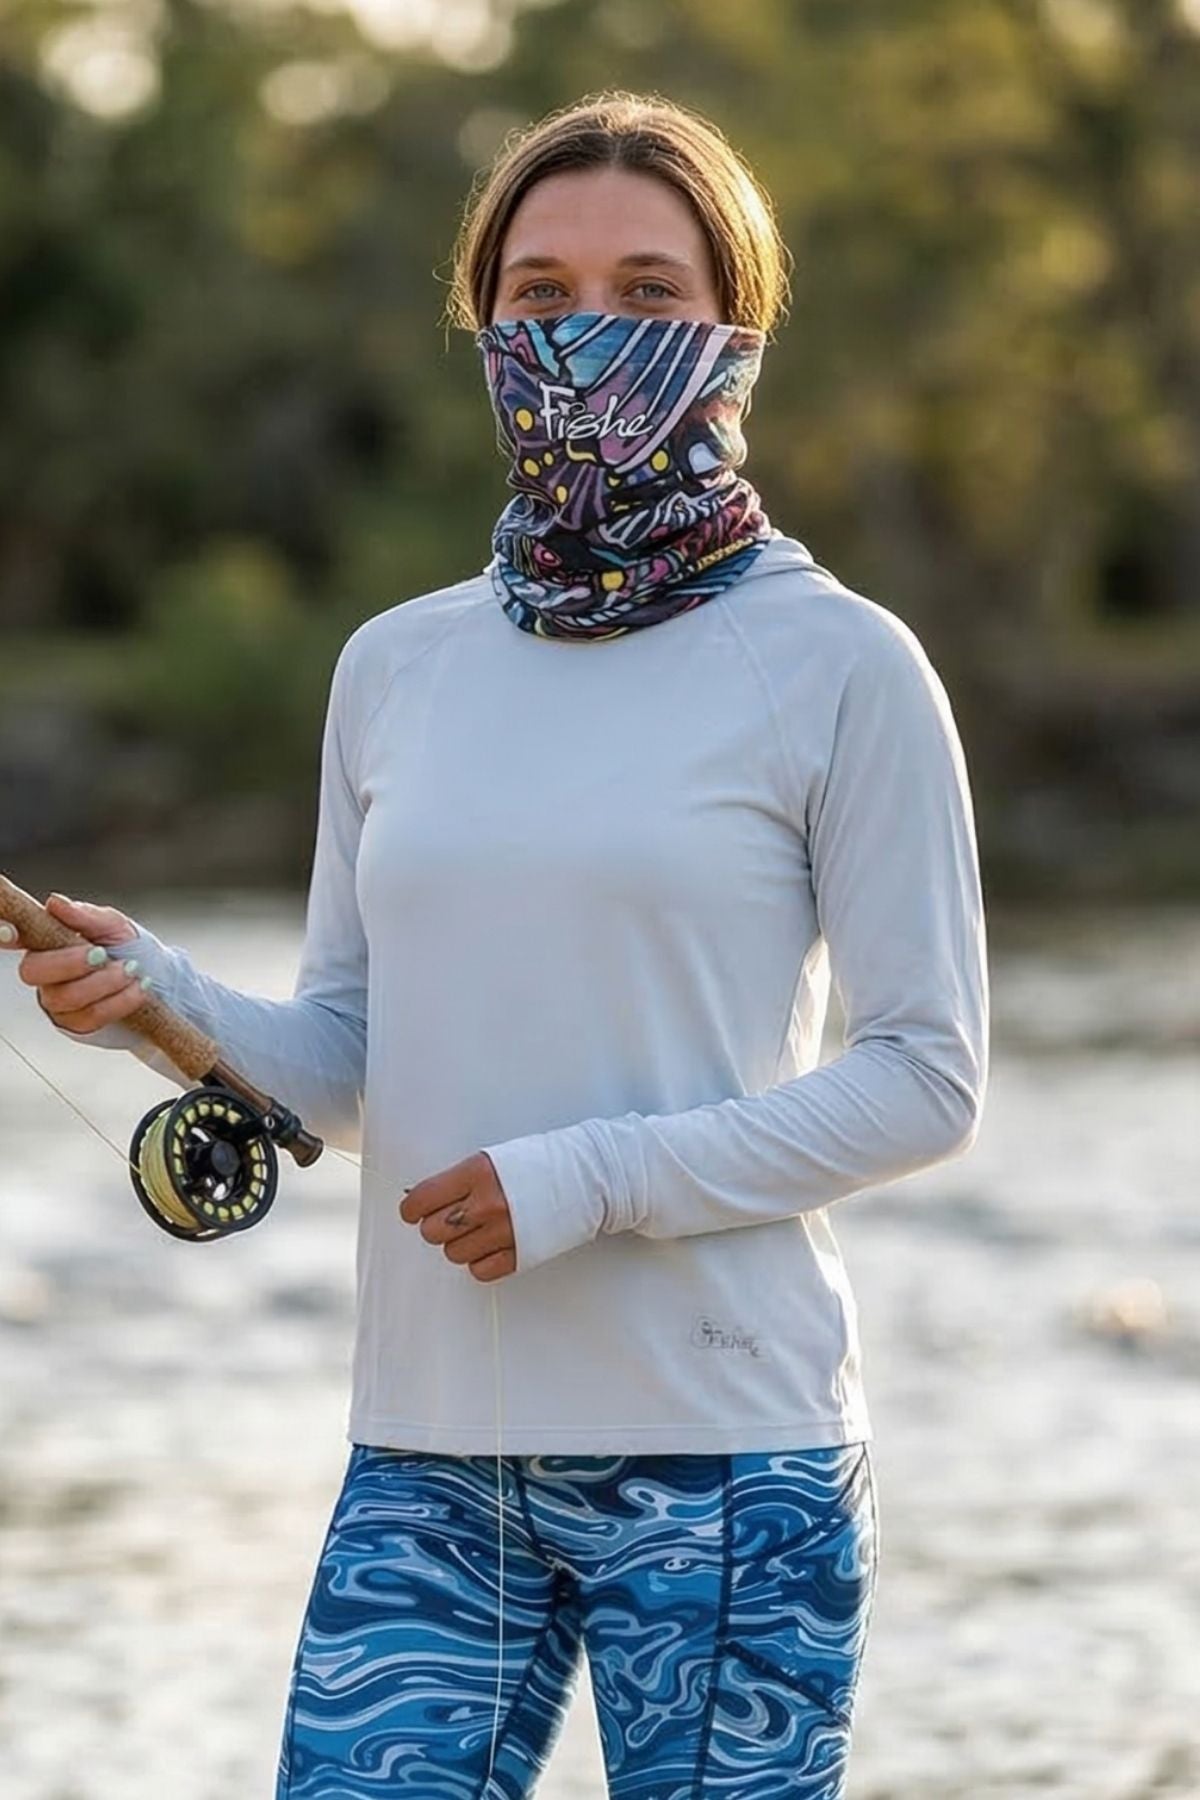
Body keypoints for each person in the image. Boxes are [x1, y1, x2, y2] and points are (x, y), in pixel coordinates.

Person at [4, 89, 989, 1800]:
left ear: (736, 327)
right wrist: (155, 1003)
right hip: (427, 1453)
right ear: (482, 323)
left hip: (729, 1455)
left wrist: (582, 1180)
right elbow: (360, 1062)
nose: (585, 334)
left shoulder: (846, 666)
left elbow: (927, 1081)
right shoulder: (397, 666)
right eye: (537, 297)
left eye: (646, 294)